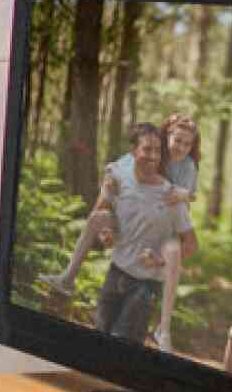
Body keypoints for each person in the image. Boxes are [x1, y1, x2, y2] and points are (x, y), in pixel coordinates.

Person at [44, 119, 196, 346]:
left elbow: (190, 208)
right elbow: (108, 188)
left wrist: (183, 195)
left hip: (156, 253)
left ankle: (164, 329)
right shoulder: (127, 168)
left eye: (187, 144)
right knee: (101, 336)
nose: (180, 148)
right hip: (120, 265)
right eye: (176, 141)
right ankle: (68, 277)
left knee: (172, 251)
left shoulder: (186, 170)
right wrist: (107, 229)